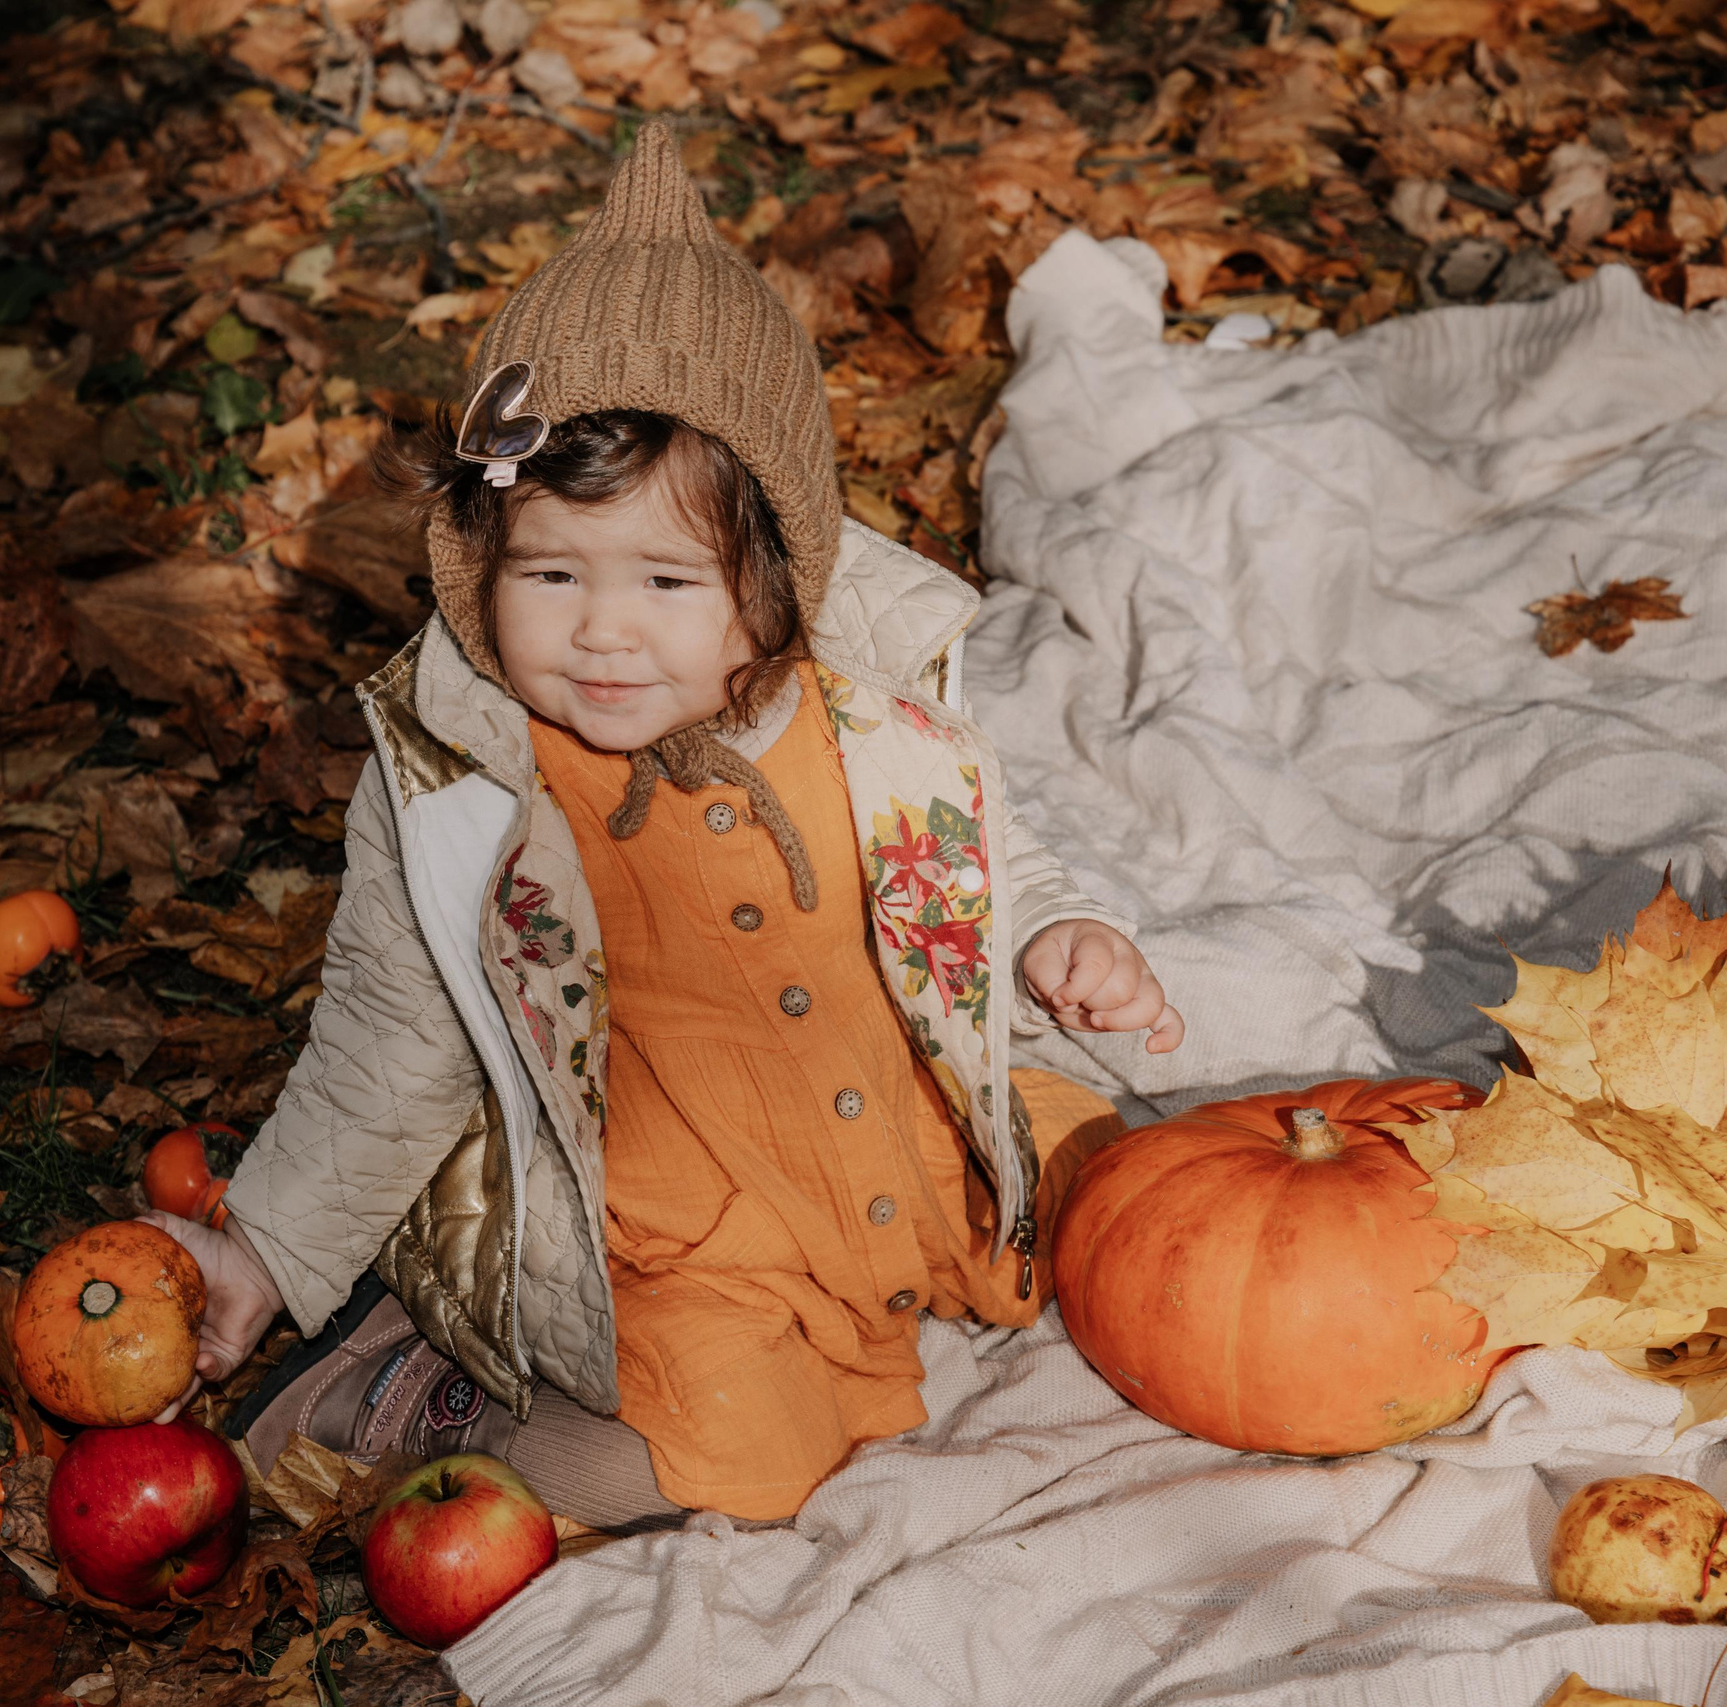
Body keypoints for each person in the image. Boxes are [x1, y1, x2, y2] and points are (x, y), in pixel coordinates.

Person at [138, 123, 1183, 1530]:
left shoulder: (860, 700)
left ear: (774, 572)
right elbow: (390, 1040)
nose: (604, 634)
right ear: (479, 560)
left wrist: (1057, 931)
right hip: (690, 1227)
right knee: (725, 1454)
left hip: (925, 1136)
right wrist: (261, 1248)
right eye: (553, 573)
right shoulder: (466, 780)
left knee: (1151, 1201)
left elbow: (973, 860)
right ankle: (409, 1391)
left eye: (667, 582)